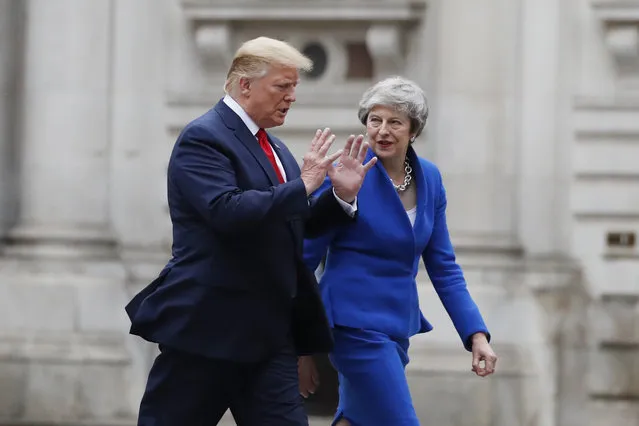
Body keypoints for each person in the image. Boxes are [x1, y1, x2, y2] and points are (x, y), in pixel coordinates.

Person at [125, 36, 376, 426]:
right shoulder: (203, 137)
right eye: (282, 86)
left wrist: (340, 197)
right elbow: (227, 212)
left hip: (270, 338)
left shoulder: (275, 148)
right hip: (208, 333)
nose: (292, 97)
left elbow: (296, 220)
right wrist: (302, 186)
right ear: (245, 85)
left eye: (294, 87)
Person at [301, 76, 498, 426]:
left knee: (355, 420)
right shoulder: (347, 175)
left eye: (395, 122)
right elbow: (305, 256)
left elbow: (443, 265)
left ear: (414, 130)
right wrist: (299, 346)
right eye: (375, 120)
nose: (382, 130)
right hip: (352, 325)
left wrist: (476, 334)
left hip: (396, 327)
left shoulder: (430, 179)